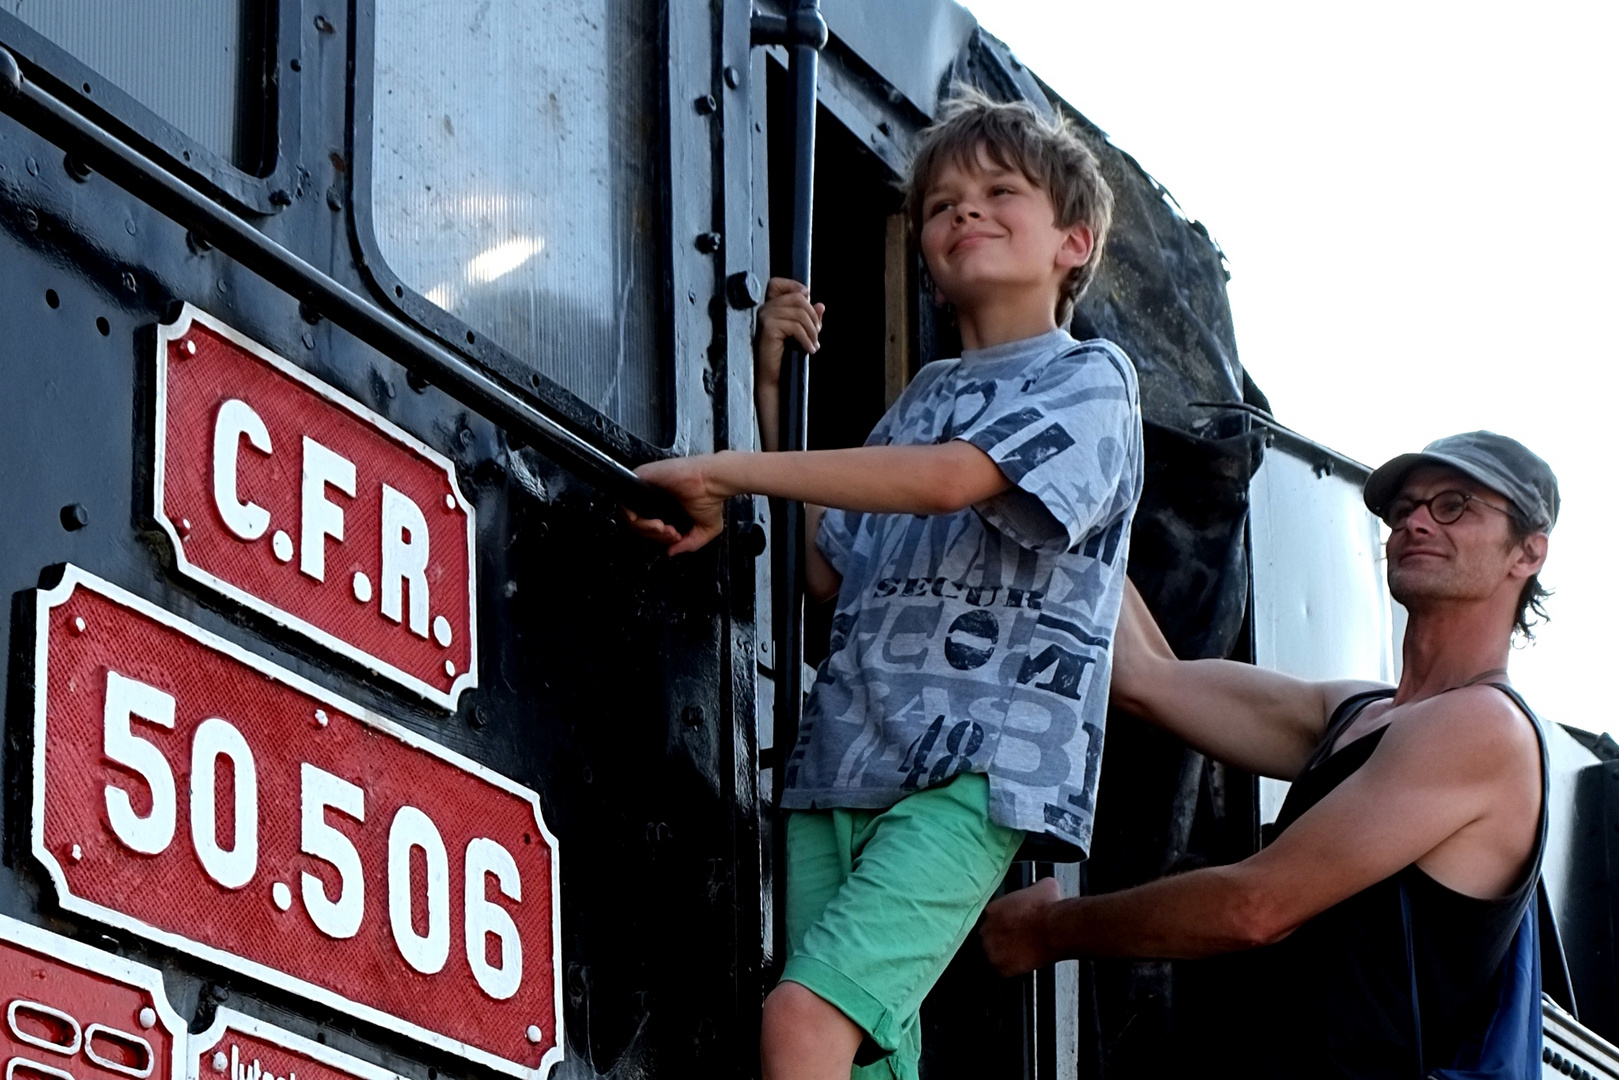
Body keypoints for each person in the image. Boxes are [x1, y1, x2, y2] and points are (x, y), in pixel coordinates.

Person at [626, 90, 1141, 1080]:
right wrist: (773, 387)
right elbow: (830, 572)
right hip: (843, 760)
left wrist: (728, 470)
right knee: (859, 1054)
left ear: (1073, 241)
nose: (963, 212)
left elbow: (954, 478)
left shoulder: (1089, 378)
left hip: (971, 774)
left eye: (999, 191)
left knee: (800, 1022)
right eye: (941, 202)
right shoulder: (920, 401)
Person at [980, 431, 1559, 1078]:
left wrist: (1046, 932)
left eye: (1453, 505)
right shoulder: (1355, 714)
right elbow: (1147, 678)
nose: (1415, 522)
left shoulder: (1483, 729)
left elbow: (1253, 909)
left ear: (1526, 552)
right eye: (1403, 511)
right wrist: (1070, 501)